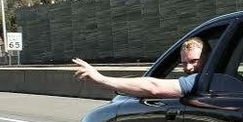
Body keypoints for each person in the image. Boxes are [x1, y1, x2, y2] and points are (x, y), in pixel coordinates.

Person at [72, 37, 207, 98]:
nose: (188, 67)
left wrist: (100, 78)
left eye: (194, 61)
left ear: (207, 57)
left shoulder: (199, 80)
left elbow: (153, 87)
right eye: (184, 63)